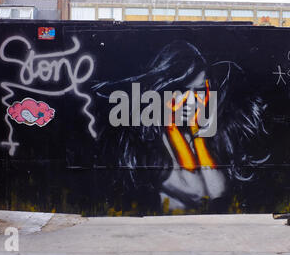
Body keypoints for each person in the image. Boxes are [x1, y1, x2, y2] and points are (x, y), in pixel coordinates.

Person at [93, 40, 269, 213]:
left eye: (199, 91)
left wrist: (196, 133)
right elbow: (198, 195)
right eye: (182, 91)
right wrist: (171, 127)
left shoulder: (205, 131)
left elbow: (218, 191)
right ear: (162, 91)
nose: (191, 101)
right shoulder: (147, 139)